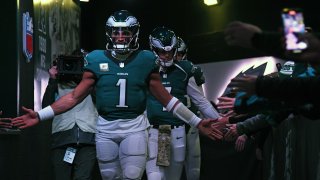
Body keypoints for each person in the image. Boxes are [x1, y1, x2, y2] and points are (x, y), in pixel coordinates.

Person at [12, 10, 222, 180]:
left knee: (131, 175)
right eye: (116, 32)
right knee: (111, 176)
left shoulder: (146, 59)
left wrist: (196, 121)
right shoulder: (95, 59)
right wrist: (40, 115)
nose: (120, 37)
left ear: (134, 35)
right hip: (105, 129)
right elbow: (73, 98)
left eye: (125, 33)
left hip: (134, 128)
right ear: (109, 34)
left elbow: (168, 100)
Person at [145, 28, 222, 180]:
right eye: (162, 51)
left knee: (181, 174)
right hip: (160, 130)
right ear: (154, 50)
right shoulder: (145, 68)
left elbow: (202, 102)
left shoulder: (184, 69)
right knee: (157, 176)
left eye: (171, 51)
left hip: (180, 128)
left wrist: (223, 121)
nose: (167, 55)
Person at [42, 55, 98, 180]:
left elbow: (101, 103)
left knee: (83, 178)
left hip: (87, 139)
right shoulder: (57, 86)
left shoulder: (91, 86)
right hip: (62, 139)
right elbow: (46, 107)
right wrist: (53, 80)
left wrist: (91, 78)